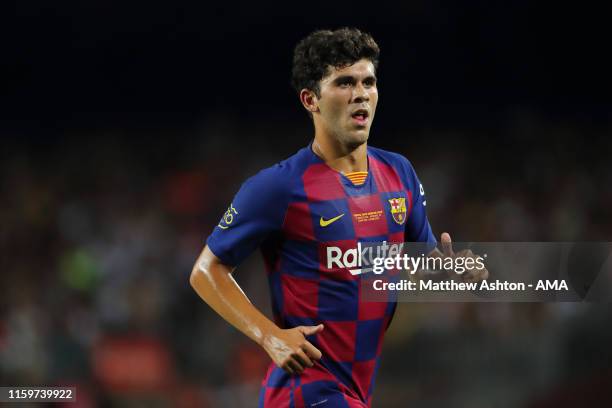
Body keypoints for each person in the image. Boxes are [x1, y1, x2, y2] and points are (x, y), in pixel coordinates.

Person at [190, 27, 486, 407]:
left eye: (368, 82)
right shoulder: (278, 187)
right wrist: (268, 335)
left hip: (355, 391)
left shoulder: (400, 174)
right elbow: (205, 270)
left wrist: (451, 270)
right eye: (344, 82)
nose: (360, 93)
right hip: (305, 390)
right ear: (310, 99)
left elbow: (421, 261)